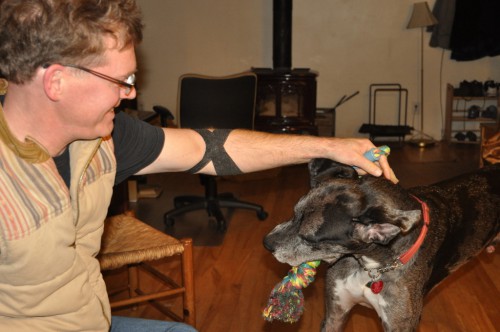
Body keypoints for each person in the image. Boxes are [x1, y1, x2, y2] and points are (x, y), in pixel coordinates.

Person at [0, 0, 396, 331]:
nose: (131, 92)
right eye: (121, 80)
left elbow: (209, 148)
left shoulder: (103, 137)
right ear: (57, 82)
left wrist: (331, 147)